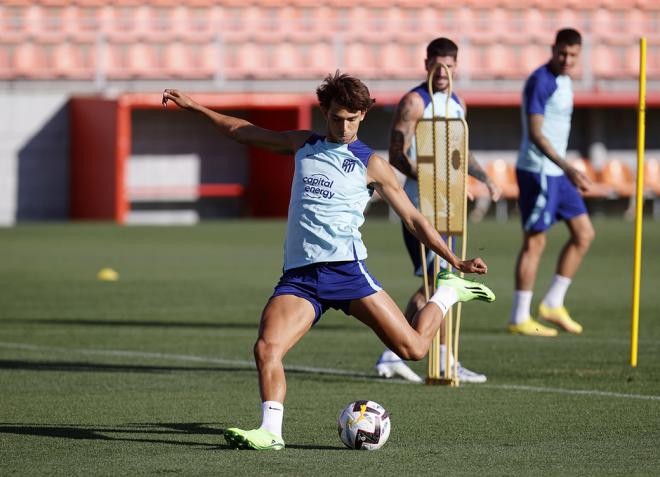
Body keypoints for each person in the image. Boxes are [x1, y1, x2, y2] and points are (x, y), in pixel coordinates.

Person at [162, 72, 495, 450]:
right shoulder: (303, 144)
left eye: (352, 118)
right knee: (266, 348)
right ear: (324, 111)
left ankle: (448, 293)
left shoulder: (373, 165)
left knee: (415, 351)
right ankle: (271, 431)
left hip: (347, 272)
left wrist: (454, 260)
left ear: (363, 115)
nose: (344, 125)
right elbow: (244, 130)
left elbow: (415, 218)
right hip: (301, 278)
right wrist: (196, 107)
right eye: (337, 117)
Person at [376, 38, 501, 384]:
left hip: (448, 205)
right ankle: (437, 359)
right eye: (437, 64)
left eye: (449, 65)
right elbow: (396, 154)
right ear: (427, 63)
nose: (443, 71)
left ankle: (395, 355)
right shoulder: (415, 102)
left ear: (456, 66)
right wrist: (430, 178)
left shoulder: (457, 103)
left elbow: (460, 154)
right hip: (419, 205)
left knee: (435, 285)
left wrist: (484, 178)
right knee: (439, 283)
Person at [508, 28, 595, 337]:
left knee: (584, 234)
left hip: (559, 173)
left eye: (573, 55)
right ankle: (519, 316)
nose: (567, 59)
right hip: (539, 171)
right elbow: (535, 132)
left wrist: (566, 170)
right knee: (535, 242)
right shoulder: (540, 80)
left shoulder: (565, 79)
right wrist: (568, 167)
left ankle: (553, 303)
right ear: (553, 48)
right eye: (562, 53)